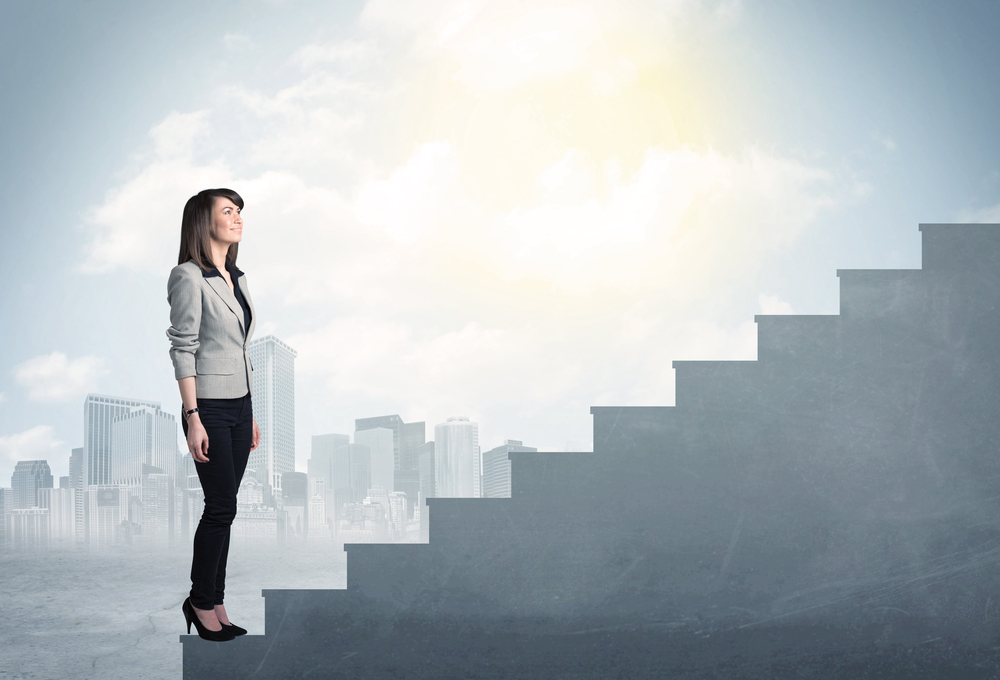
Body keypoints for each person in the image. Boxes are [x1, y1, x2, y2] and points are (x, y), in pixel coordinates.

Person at [166, 188, 261, 642]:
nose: (238, 217)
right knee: (219, 506)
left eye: (239, 211)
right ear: (204, 222)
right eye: (228, 211)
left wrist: (252, 413)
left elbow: (241, 350)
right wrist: (193, 416)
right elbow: (183, 347)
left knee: (228, 508)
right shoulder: (187, 276)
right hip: (210, 408)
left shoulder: (237, 278)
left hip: (240, 407)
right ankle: (200, 601)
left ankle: (214, 598)